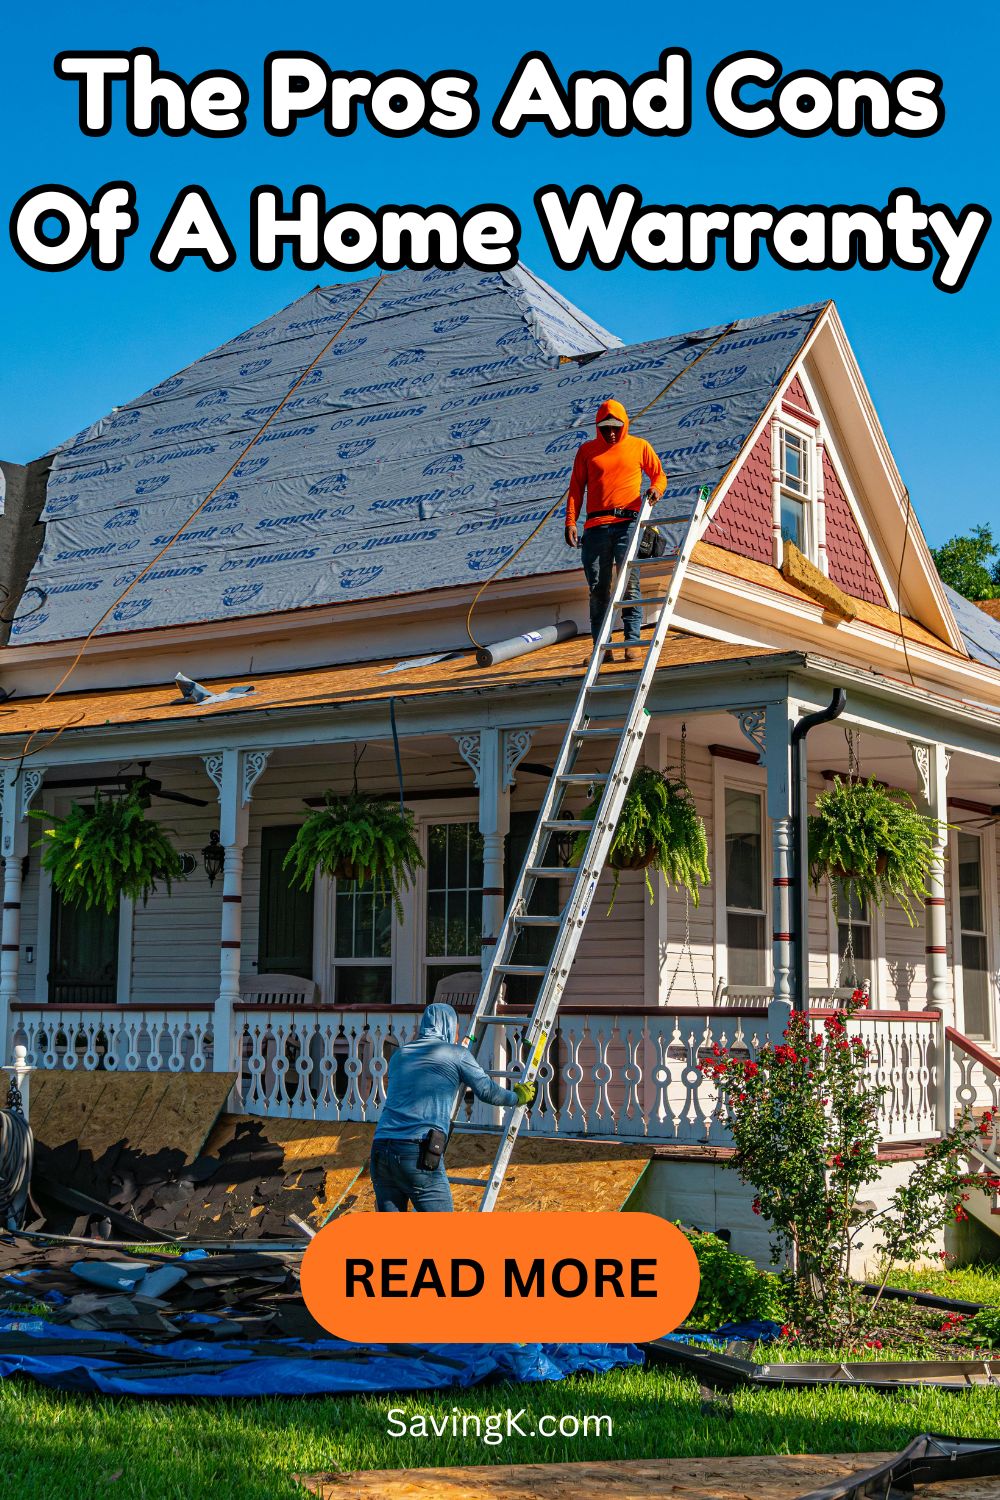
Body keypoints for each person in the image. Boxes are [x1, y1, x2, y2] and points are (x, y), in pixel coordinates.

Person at [369, 1001, 536, 1211]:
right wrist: (517, 1097)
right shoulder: (457, 1055)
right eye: (455, 1031)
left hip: (381, 1149)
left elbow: (424, 1078)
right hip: (416, 1151)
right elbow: (486, 1091)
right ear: (447, 1027)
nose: (457, 1037)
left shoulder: (399, 1056)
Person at [565, 399, 667, 662]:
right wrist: (570, 521)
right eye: (605, 428)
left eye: (615, 428)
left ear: (624, 425)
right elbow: (576, 488)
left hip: (627, 523)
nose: (611, 433)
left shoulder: (638, 446)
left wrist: (656, 490)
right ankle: (602, 647)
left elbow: (659, 475)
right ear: (598, 427)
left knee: (628, 584)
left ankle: (631, 641)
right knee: (598, 588)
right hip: (595, 527)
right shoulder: (587, 451)